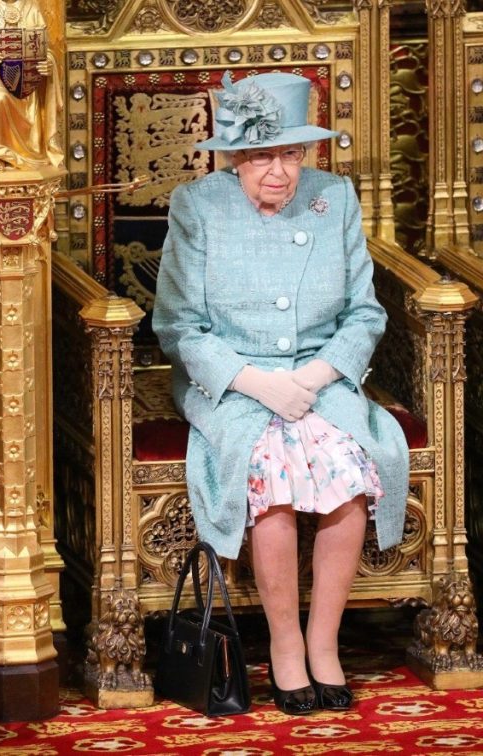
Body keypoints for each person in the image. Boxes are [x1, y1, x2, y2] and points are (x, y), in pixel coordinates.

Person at [152, 72, 409, 715]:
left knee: (348, 470)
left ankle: (325, 644)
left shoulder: (335, 198)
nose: (279, 172)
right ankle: (286, 647)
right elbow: (178, 325)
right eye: (264, 156)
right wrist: (260, 383)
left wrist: (318, 377)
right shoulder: (198, 204)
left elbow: (365, 313)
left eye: (291, 155)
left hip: (319, 377)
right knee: (270, 470)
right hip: (236, 382)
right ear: (236, 157)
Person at [0, 0, 62, 170]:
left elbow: (44, 48)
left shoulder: (32, 7)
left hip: (26, 77)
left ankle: (31, 152)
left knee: (26, 94)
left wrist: (47, 63)